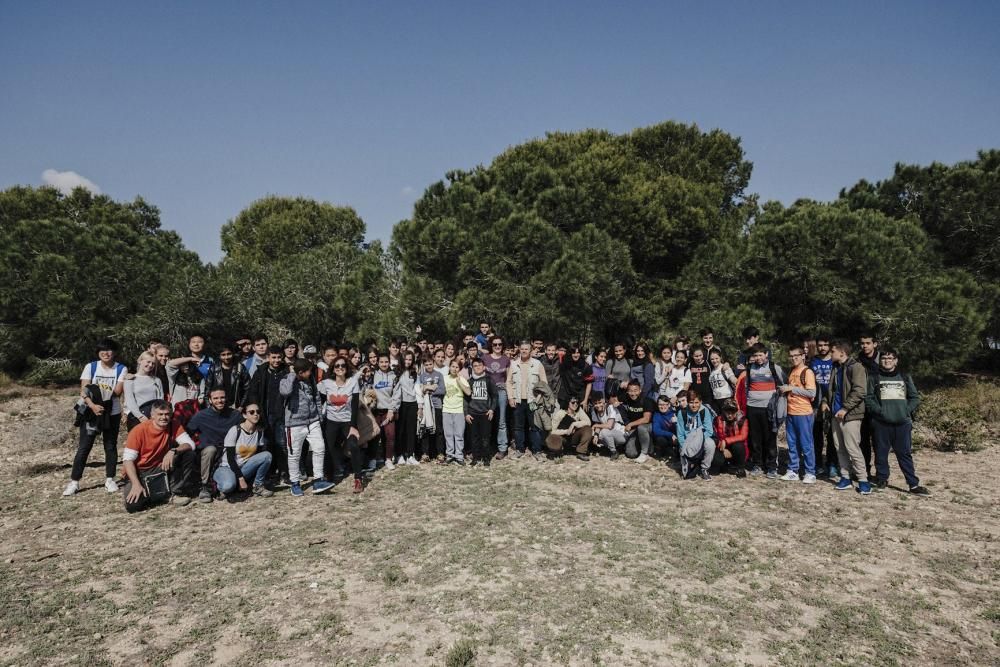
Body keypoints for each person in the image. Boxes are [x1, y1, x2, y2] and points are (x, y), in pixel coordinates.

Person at [64, 338, 127, 497]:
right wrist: (92, 405)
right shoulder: (91, 367)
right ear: (98, 352)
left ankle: (110, 479)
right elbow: (84, 391)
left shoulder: (121, 369)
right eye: (102, 350)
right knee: (84, 446)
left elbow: (117, 392)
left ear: (115, 352)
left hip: (111, 412)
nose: (106, 353)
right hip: (91, 412)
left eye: (109, 350)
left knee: (110, 445)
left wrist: (100, 398)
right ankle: (74, 482)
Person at [864, 345, 929, 496]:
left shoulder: (905, 376)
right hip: (881, 423)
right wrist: (879, 411)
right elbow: (868, 398)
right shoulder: (874, 377)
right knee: (880, 453)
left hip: (902, 423)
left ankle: (913, 484)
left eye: (890, 358)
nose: (887, 361)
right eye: (884, 358)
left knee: (904, 454)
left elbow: (914, 397)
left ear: (896, 361)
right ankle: (881, 479)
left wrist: (905, 410)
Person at [121, 400, 199, 512]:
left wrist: (174, 450)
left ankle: (174, 492)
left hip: (160, 466)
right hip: (140, 471)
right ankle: (155, 493)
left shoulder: (174, 424)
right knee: (133, 506)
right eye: (160, 414)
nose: (164, 417)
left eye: (167, 414)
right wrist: (136, 484)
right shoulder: (139, 431)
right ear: (152, 416)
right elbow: (128, 460)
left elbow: (190, 444)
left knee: (188, 454)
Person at [279, 359, 334, 496]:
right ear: (301, 372)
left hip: (313, 420)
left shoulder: (311, 380)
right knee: (294, 454)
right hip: (294, 423)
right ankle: (295, 483)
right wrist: (292, 375)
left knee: (319, 448)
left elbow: (316, 396)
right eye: (308, 371)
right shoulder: (287, 379)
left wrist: (319, 416)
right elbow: (285, 392)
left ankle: (318, 480)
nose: (311, 373)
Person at [824, 339, 871, 495]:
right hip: (835, 415)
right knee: (840, 448)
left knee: (853, 448)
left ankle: (863, 480)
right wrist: (825, 402)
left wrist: (845, 408)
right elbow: (831, 390)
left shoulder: (856, 367)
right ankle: (845, 478)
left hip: (850, 415)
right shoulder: (835, 368)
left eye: (833, 351)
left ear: (842, 353)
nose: (830, 354)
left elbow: (860, 391)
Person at [184, 387, 243, 502]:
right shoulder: (201, 416)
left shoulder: (235, 415)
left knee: (229, 485)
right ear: (210, 400)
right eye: (215, 398)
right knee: (210, 449)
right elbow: (187, 433)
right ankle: (204, 486)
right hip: (210, 455)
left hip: (229, 454)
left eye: (222, 397)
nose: (219, 401)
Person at [318, 355, 366, 493]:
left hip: (347, 422)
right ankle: (329, 476)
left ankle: (358, 478)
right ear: (333, 368)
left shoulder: (352, 382)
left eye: (343, 366)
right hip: (331, 421)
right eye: (337, 366)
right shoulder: (326, 383)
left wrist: (353, 426)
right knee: (329, 447)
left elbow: (355, 405)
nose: (340, 368)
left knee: (353, 445)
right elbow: (319, 402)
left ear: (347, 368)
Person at [244, 345, 291, 485]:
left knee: (282, 444)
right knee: (267, 444)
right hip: (266, 413)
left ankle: (284, 472)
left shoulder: (286, 370)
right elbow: (253, 391)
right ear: (268, 357)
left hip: (282, 413)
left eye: (279, 357)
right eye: (273, 357)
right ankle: (269, 473)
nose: (276, 360)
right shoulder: (261, 371)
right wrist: (255, 411)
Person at [740, 343, 785, 478]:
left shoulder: (774, 367)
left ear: (766, 354)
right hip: (752, 407)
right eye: (755, 355)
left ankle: (771, 467)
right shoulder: (749, 369)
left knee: (770, 437)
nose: (758, 358)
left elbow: (784, 384)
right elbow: (747, 387)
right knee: (755, 438)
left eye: (760, 354)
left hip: (769, 409)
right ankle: (757, 464)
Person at [214, 402, 274, 499]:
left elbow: (258, 456)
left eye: (258, 412)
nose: (256, 414)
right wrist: (241, 479)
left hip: (245, 467)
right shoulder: (235, 430)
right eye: (251, 412)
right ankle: (222, 486)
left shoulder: (259, 432)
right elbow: (230, 459)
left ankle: (257, 486)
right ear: (244, 415)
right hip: (228, 467)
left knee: (266, 455)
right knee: (228, 486)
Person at [779, 346, 817, 484]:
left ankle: (810, 472)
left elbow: (812, 393)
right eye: (791, 356)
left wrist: (791, 388)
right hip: (791, 412)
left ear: (803, 356)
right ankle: (793, 470)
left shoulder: (807, 372)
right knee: (792, 443)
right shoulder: (792, 371)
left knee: (806, 444)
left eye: (796, 355)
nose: (793, 358)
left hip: (804, 412)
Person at [506, 341, 547, 460]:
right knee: (518, 426)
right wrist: (510, 397)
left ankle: (537, 450)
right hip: (518, 401)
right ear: (519, 349)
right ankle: (520, 449)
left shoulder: (537, 364)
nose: (524, 351)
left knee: (535, 426)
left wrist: (538, 399)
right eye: (522, 349)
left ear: (530, 350)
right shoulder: (513, 364)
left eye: (526, 349)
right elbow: (508, 382)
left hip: (533, 401)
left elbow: (543, 382)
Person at [810, 336, 837, 478]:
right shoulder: (812, 361)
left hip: (832, 402)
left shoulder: (835, 361)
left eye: (826, 345)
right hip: (815, 403)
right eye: (820, 345)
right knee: (816, 435)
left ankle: (832, 464)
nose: (823, 348)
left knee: (833, 436)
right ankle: (817, 463)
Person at [675, 391, 716, 480]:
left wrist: (697, 442)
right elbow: (680, 434)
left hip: (701, 438)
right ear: (687, 402)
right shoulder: (682, 413)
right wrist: (684, 448)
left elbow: (709, 431)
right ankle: (687, 463)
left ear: (700, 402)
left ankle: (705, 469)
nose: (694, 405)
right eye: (691, 402)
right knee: (688, 476)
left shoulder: (704, 411)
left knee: (710, 444)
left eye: (696, 402)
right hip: (687, 441)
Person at [371, 352, 401, 471]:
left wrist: (392, 409)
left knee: (390, 435)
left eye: (386, 362)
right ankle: (373, 459)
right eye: (381, 362)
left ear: (389, 362)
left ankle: (388, 459)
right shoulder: (373, 375)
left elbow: (397, 395)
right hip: (375, 411)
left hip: (388, 410)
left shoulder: (393, 376)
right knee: (375, 436)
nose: (384, 364)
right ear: (378, 363)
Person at [465, 357, 497, 466]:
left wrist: (492, 409)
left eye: (479, 365)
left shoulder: (488, 380)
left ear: (483, 367)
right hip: (473, 414)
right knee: (474, 438)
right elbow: (465, 399)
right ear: (472, 368)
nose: (477, 367)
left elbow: (494, 396)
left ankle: (486, 458)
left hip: (485, 414)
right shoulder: (470, 381)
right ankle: (476, 458)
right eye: (475, 366)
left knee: (485, 437)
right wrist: (467, 413)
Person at [483, 335, 511, 457]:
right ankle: (486, 447)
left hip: (501, 392)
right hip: (488, 392)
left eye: (500, 344)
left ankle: (502, 448)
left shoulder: (506, 359)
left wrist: (510, 395)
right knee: (486, 420)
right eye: (495, 344)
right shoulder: (485, 358)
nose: (497, 346)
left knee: (502, 421)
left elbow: (509, 379)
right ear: (491, 345)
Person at [124, 351, 165, 431]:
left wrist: (157, 415)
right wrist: (140, 416)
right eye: (148, 362)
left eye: (153, 363)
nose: (150, 365)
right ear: (140, 361)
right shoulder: (130, 379)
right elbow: (130, 401)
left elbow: (160, 399)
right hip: (136, 418)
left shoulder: (157, 380)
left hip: (153, 418)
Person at [858, 333, 881, 480]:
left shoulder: (883, 359)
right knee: (863, 440)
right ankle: (865, 470)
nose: (865, 346)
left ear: (875, 344)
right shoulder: (858, 360)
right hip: (862, 406)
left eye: (868, 343)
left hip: (878, 406)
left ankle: (881, 474)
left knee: (879, 443)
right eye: (862, 343)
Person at [417, 353, 446, 463]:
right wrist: (430, 387)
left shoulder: (439, 375)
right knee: (425, 430)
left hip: (437, 405)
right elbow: (420, 390)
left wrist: (428, 389)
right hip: (426, 407)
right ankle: (425, 453)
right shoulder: (421, 376)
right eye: (426, 364)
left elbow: (442, 390)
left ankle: (440, 453)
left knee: (439, 429)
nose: (429, 366)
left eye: (430, 364)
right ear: (424, 365)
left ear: (433, 363)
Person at [545, 396, 592, 461]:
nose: (575, 404)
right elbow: (552, 431)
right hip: (562, 437)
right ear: (567, 403)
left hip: (573, 436)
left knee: (587, 429)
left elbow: (588, 422)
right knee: (552, 438)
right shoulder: (560, 413)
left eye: (577, 402)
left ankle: (581, 452)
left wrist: (574, 424)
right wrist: (566, 431)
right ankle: (557, 451)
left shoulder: (579, 411)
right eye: (573, 402)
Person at [442, 359, 470, 465]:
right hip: (446, 410)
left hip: (459, 410)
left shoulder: (462, 379)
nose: (454, 369)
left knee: (459, 434)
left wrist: (459, 381)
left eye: (457, 367)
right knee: (448, 434)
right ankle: (449, 455)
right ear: (449, 367)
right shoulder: (444, 379)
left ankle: (459, 456)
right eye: (452, 366)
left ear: (460, 368)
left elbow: (468, 392)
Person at [617, 380, 654, 462]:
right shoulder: (627, 398)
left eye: (635, 390)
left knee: (641, 428)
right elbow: (614, 399)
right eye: (630, 391)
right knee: (630, 453)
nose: (633, 394)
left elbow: (646, 419)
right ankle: (642, 447)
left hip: (647, 427)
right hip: (635, 429)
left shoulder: (646, 400)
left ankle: (645, 453)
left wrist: (630, 424)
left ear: (640, 390)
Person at [395, 350, 421, 466]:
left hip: (412, 403)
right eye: (406, 359)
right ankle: (400, 454)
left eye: (410, 359)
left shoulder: (414, 373)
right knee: (400, 430)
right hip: (401, 404)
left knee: (411, 430)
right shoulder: (396, 372)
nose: (408, 361)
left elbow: (417, 390)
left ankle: (410, 454)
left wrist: (420, 406)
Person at [713, 399, 749, 477]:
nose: (730, 415)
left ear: (736, 411)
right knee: (716, 463)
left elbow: (743, 436)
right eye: (727, 412)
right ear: (723, 411)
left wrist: (726, 441)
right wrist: (723, 449)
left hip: (736, 448)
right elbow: (715, 436)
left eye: (732, 412)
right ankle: (727, 467)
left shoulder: (742, 420)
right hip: (722, 447)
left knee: (738, 445)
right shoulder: (717, 420)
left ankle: (740, 468)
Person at [206, 344, 249, 408]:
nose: (226, 357)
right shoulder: (214, 368)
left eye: (229, 354)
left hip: (235, 406)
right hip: (218, 405)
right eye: (223, 355)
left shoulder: (240, 367)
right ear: (219, 356)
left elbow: (247, 388)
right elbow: (207, 389)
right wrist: (210, 407)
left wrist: (241, 407)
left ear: (233, 354)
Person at [589, 394, 626, 459]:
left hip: (621, 434)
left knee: (604, 432)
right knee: (599, 435)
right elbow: (599, 425)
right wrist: (595, 435)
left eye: (600, 403)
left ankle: (613, 452)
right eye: (595, 403)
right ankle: (612, 448)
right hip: (611, 434)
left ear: (603, 401)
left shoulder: (610, 407)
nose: (598, 405)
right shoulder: (595, 411)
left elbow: (609, 426)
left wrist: (595, 425)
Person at [559, 345, 593, 409]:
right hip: (565, 398)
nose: (576, 355)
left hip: (580, 399)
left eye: (578, 353)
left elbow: (589, 383)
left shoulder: (585, 366)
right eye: (574, 353)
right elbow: (554, 353)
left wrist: (585, 400)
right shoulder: (564, 363)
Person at [707, 349, 738, 416]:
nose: (714, 361)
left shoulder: (724, 368)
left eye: (716, 358)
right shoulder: (711, 371)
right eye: (712, 359)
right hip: (716, 400)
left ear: (720, 357)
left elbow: (733, 379)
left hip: (727, 398)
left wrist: (737, 381)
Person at [650, 395, 677, 461]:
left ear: (669, 405)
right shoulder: (656, 415)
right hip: (666, 437)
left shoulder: (674, 413)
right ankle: (665, 451)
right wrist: (671, 434)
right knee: (660, 439)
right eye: (660, 404)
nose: (663, 406)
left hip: (676, 438)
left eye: (665, 404)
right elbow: (656, 430)